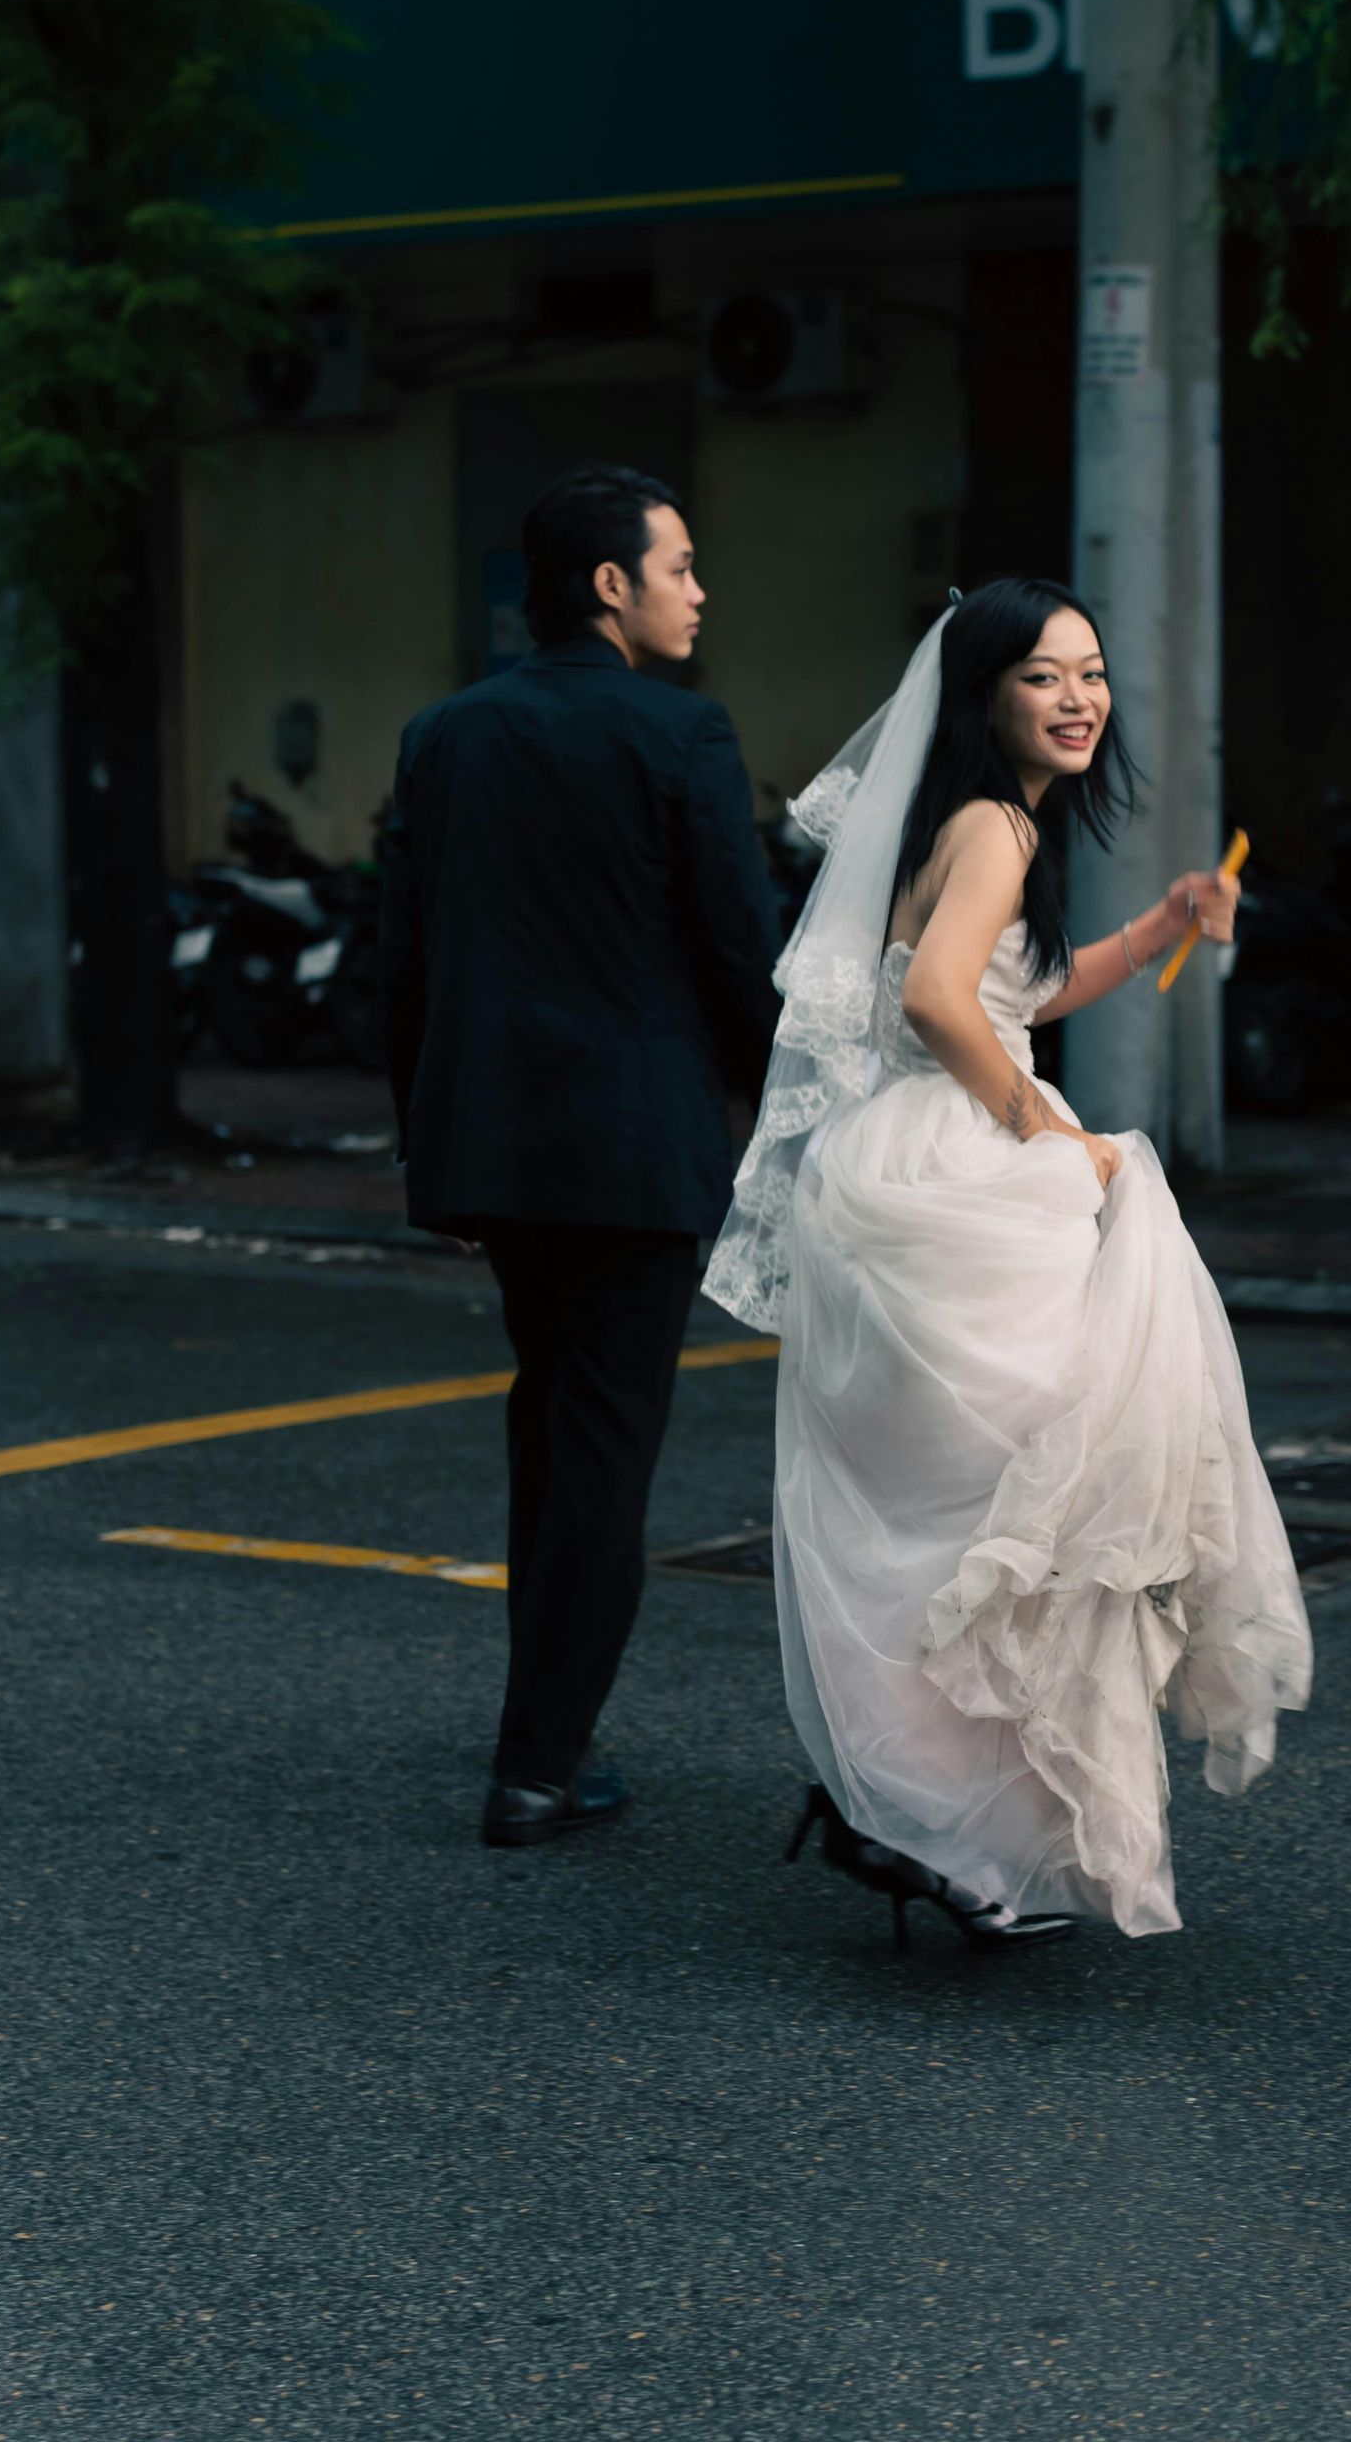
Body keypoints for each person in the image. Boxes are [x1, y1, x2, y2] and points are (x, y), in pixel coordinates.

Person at [705, 581, 1312, 1948]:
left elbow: (1004, 996)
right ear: (986, 694)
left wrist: (1156, 932)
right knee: (1026, 1506)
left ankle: (915, 1814)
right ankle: (929, 1822)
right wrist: (1046, 1127)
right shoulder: (992, 827)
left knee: (962, 1520)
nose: (1082, 698)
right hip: (956, 1175)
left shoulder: (979, 826)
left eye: (1093, 672)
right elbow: (937, 1005)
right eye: (1047, 677)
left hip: (903, 1170)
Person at [381, 462, 782, 1848]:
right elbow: (741, 954)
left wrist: (430, 1150)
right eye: (679, 566)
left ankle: (543, 1736)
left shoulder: (444, 736)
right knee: (603, 1452)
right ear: (609, 586)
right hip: (635, 1149)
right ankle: (540, 1766)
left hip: (496, 1148)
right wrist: (776, 1109)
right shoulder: (682, 736)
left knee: (548, 1430)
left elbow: (407, 964)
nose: (698, 590)